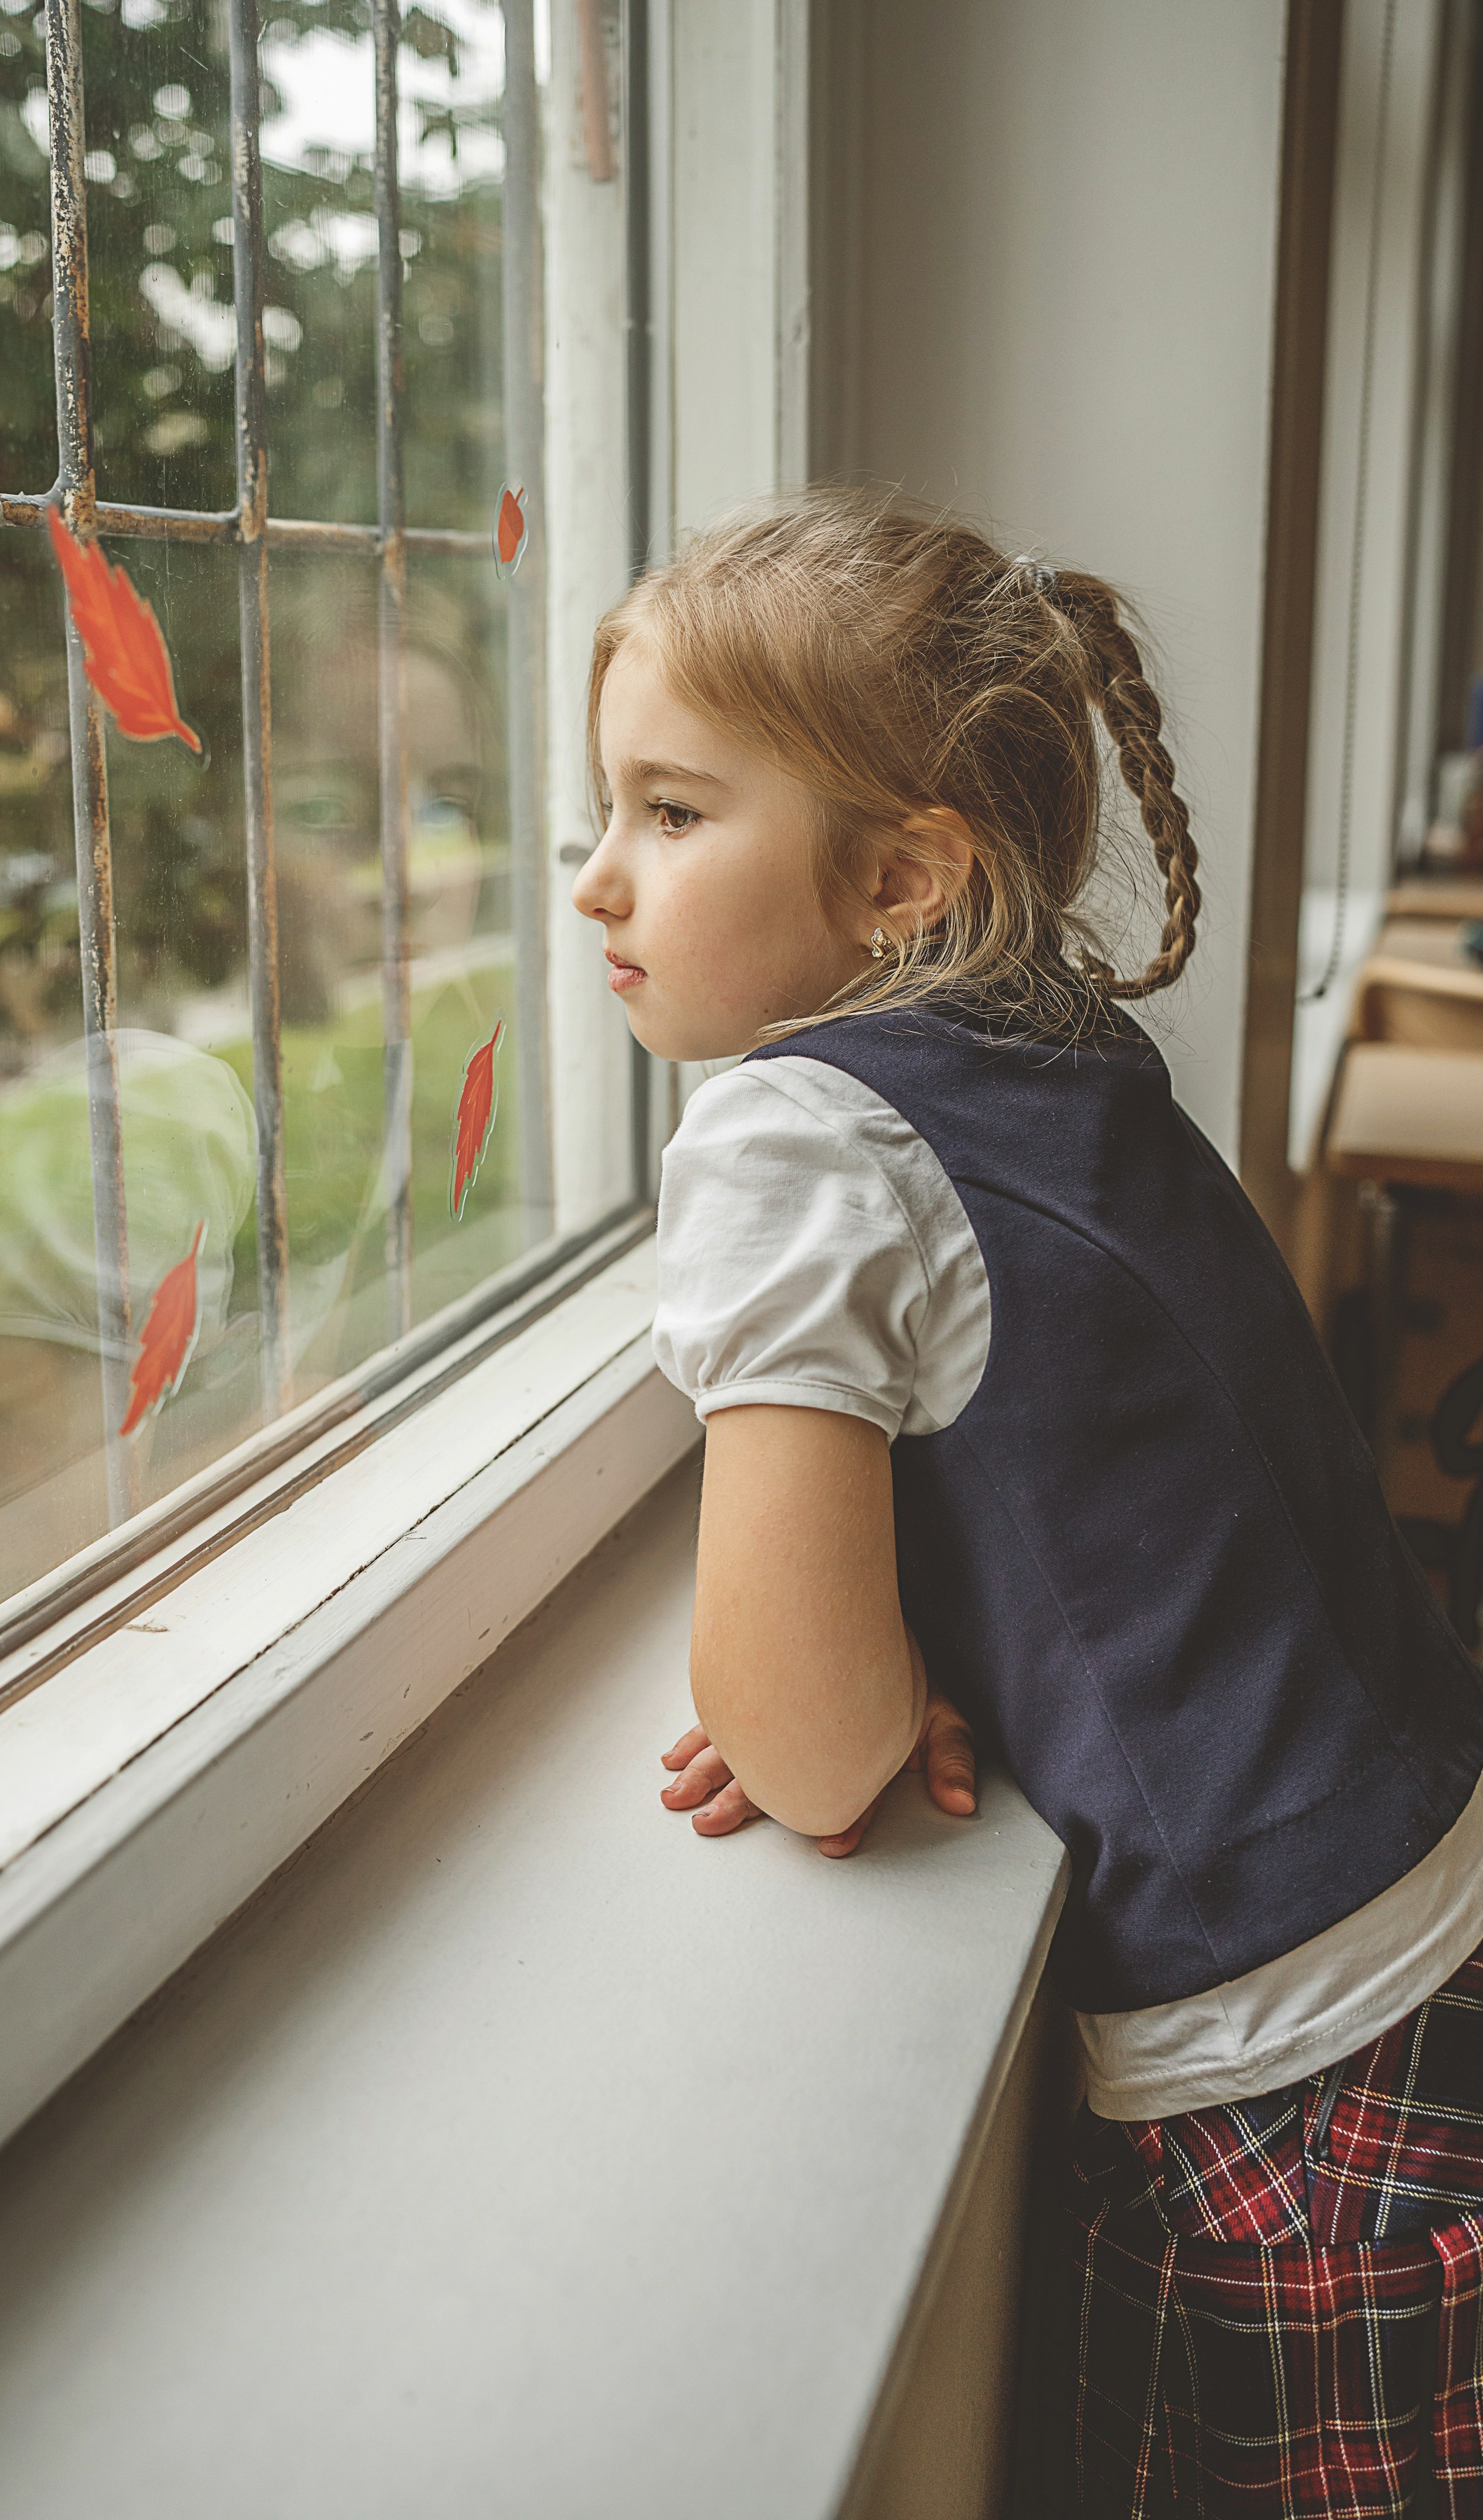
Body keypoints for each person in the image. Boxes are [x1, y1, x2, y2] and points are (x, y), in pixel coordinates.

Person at [571, 489, 1483, 2518]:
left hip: (1287, 2080)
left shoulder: (790, 1133)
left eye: (670, 813)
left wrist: (827, 1690)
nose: (591, 880)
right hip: (1426, 1872)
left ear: (902, 875)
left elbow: (810, 1749)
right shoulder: (1052, 1040)